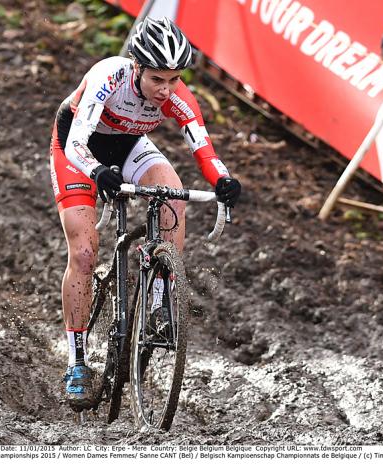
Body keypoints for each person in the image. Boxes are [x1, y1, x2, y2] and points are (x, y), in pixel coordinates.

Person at [48, 17, 242, 409]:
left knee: (173, 197)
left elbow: (204, 150)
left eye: (174, 79)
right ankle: (77, 361)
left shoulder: (177, 96)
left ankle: (158, 301)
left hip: (129, 145)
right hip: (76, 150)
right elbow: (76, 143)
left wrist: (223, 180)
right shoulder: (108, 77)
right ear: (136, 67)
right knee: (84, 253)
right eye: (157, 79)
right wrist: (97, 172)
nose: (166, 90)